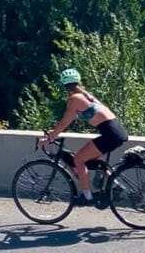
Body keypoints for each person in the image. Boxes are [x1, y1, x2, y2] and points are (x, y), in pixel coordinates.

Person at [37, 68, 129, 207]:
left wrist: (49, 138)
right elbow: (65, 123)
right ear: (78, 82)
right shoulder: (86, 96)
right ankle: (116, 185)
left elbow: (65, 122)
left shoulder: (74, 98)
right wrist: (53, 132)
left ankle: (87, 197)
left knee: (78, 159)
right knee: (93, 162)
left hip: (110, 133)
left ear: (64, 86)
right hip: (116, 131)